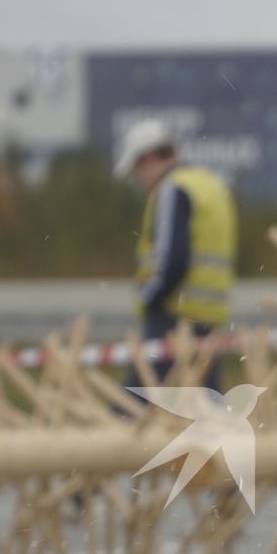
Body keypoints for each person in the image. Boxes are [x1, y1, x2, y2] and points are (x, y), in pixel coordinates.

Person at [115, 117, 237, 388]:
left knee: (134, 406)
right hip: (210, 319)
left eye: (136, 169)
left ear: (147, 158)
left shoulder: (172, 188)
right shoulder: (211, 186)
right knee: (205, 411)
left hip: (173, 319)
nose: (139, 179)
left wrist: (148, 299)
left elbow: (173, 260)